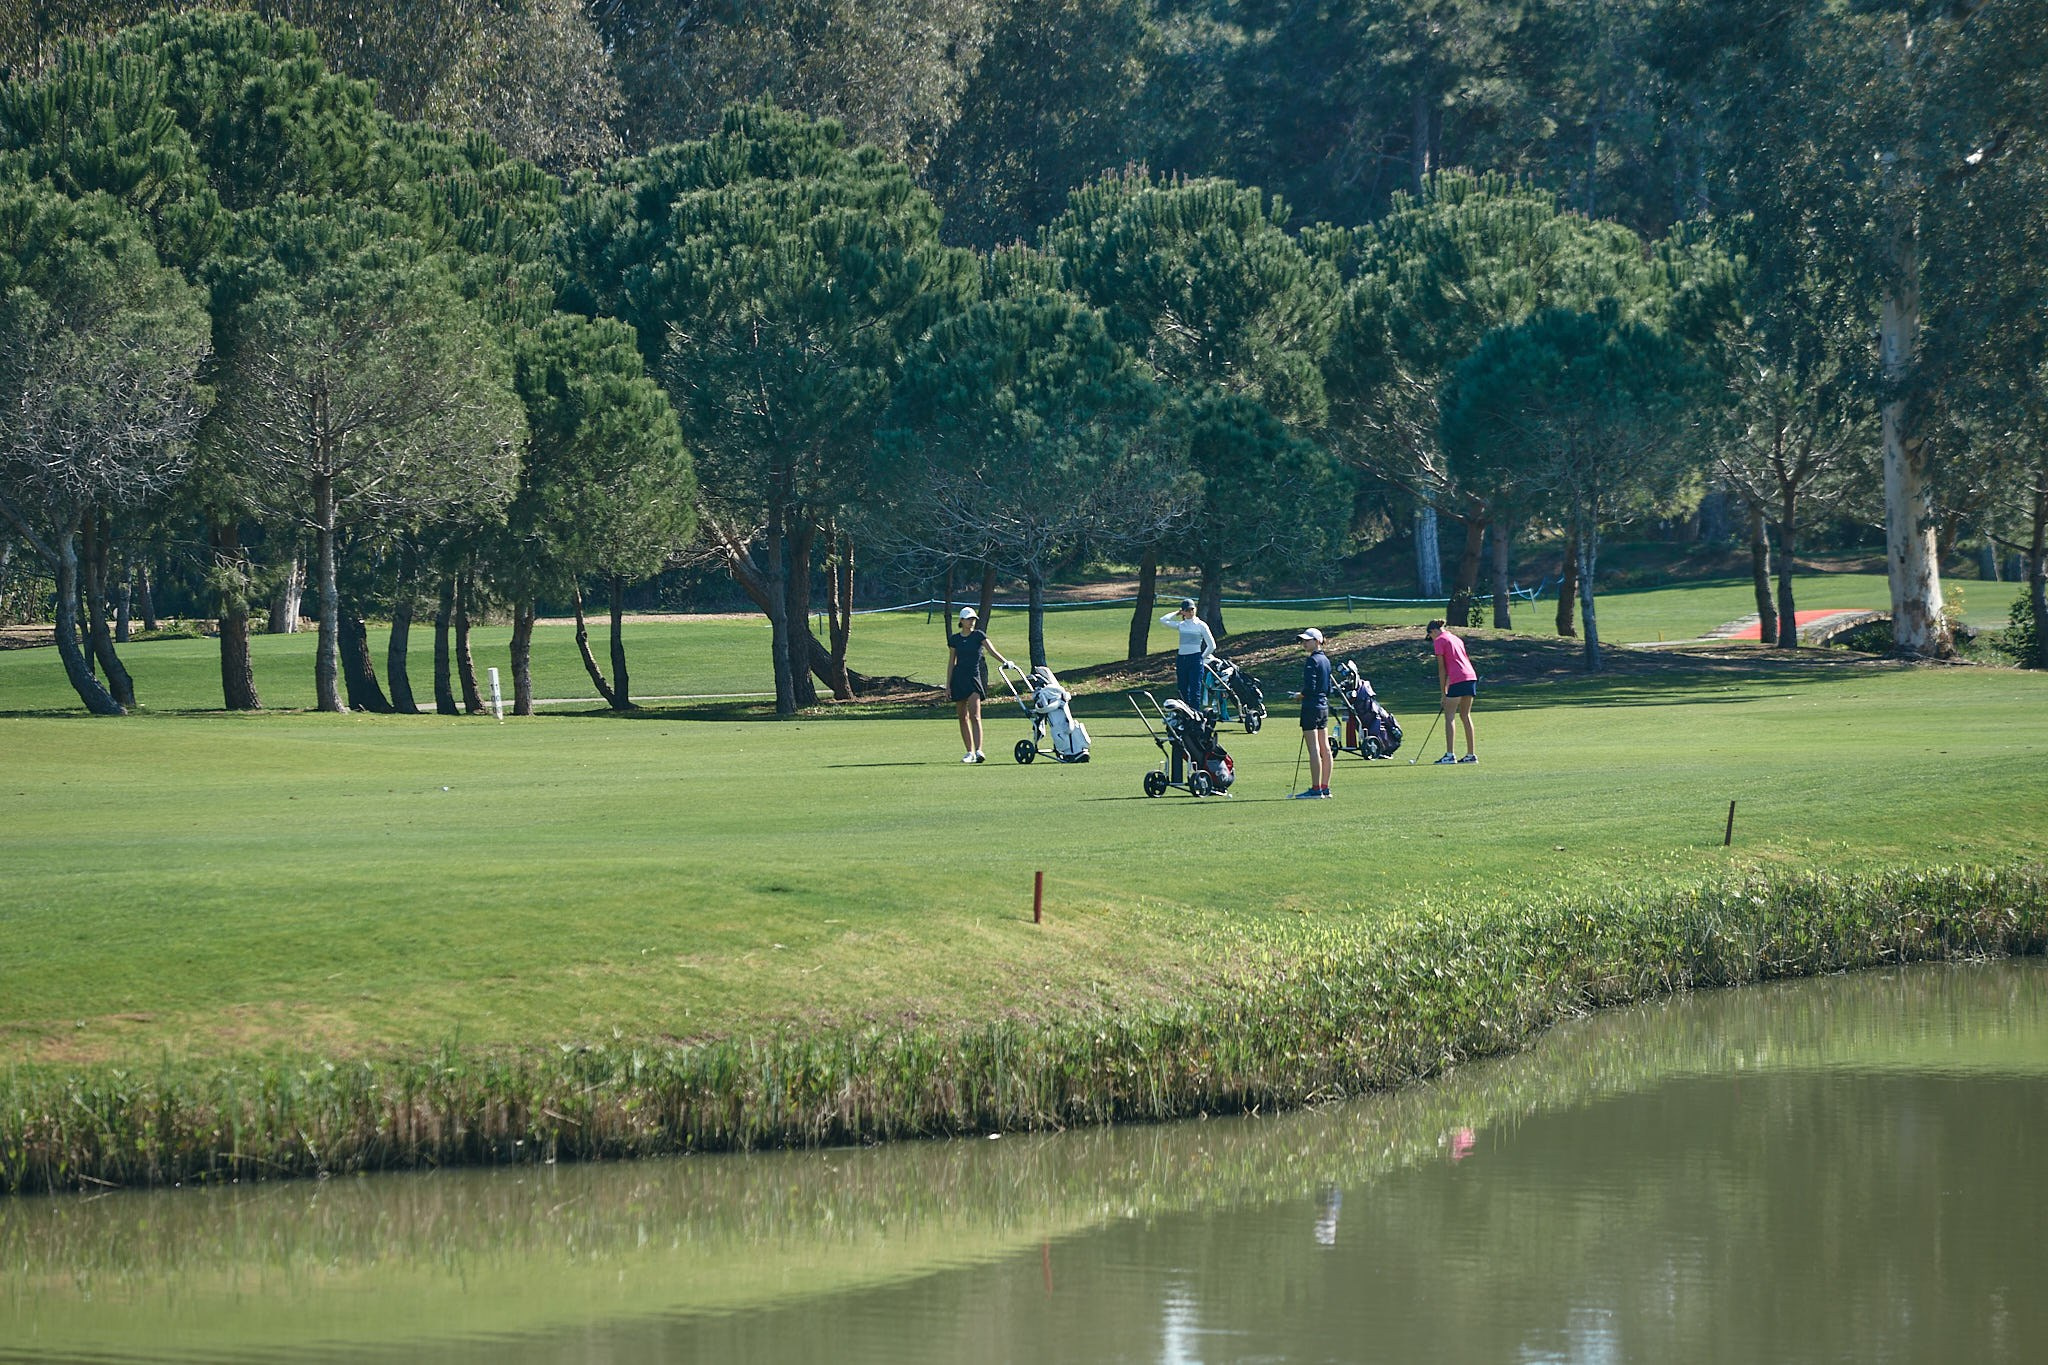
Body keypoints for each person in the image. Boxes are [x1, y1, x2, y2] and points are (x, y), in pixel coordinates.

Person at [947, 606, 1012, 763]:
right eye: (969, 619)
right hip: (958, 679)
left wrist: (1005, 662)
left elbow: (991, 650)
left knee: (975, 716)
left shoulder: (978, 636)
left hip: (974, 678)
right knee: (963, 717)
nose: (972, 622)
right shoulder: (955, 639)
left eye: (973, 619)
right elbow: (951, 662)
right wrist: (948, 685)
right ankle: (969, 752)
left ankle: (979, 751)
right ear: (961, 621)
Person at [1427, 618, 1478, 764]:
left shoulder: (1439, 640)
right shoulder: (1455, 638)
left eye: (1430, 636)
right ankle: (1471, 755)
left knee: (1449, 716)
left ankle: (1450, 755)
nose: (1432, 639)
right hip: (1470, 677)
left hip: (1458, 679)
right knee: (1465, 715)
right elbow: (1455, 662)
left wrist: (1443, 693)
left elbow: (1442, 669)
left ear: (1434, 631)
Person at [1292, 627, 1333, 798]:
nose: (1304, 643)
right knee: (1325, 748)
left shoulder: (1312, 661)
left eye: (1307, 641)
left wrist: (1299, 696)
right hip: (1323, 707)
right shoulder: (1326, 660)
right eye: (1303, 641)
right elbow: (1328, 688)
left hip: (1311, 707)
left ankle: (1316, 789)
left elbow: (1310, 687)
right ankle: (1325, 787)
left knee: (1314, 749)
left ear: (1317, 641)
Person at [1160, 598, 1216, 708]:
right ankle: (1185, 714)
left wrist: (1201, 658)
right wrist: (1177, 612)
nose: (1190, 612)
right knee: (1182, 689)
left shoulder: (1201, 625)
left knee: (1195, 690)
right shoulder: (1181, 625)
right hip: (1182, 659)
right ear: (1183, 612)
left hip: (1195, 659)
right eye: (1187, 610)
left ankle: (1195, 716)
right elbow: (1163, 620)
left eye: (1192, 609)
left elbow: (1212, 646)